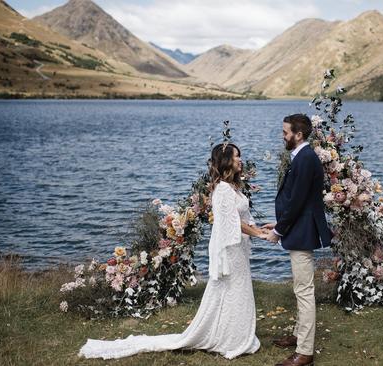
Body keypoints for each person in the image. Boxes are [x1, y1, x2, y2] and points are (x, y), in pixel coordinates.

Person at [79, 143, 265, 360]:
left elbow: (242, 218)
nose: (240, 160)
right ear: (225, 161)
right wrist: (257, 234)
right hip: (230, 249)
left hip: (238, 248)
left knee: (237, 290)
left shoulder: (233, 187)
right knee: (231, 290)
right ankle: (230, 338)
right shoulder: (223, 189)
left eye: (239, 156)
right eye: (236, 157)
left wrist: (260, 228)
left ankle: (234, 333)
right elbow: (232, 222)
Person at [263, 114, 332, 366]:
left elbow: (297, 201)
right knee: (300, 287)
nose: (282, 136)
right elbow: (295, 200)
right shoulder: (302, 156)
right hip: (299, 228)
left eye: (285, 132)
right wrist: (279, 223)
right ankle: (298, 335)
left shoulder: (305, 158)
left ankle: (305, 352)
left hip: (302, 232)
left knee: (303, 291)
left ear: (298, 135)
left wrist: (279, 230)